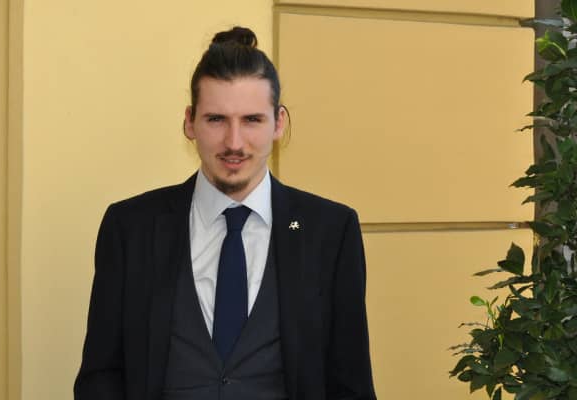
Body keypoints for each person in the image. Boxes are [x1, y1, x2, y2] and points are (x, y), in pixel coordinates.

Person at [74, 26, 378, 400]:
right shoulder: (130, 229)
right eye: (216, 119)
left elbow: (351, 385)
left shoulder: (331, 232)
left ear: (278, 123)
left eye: (252, 120)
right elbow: (100, 376)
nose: (234, 143)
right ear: (190, 122)